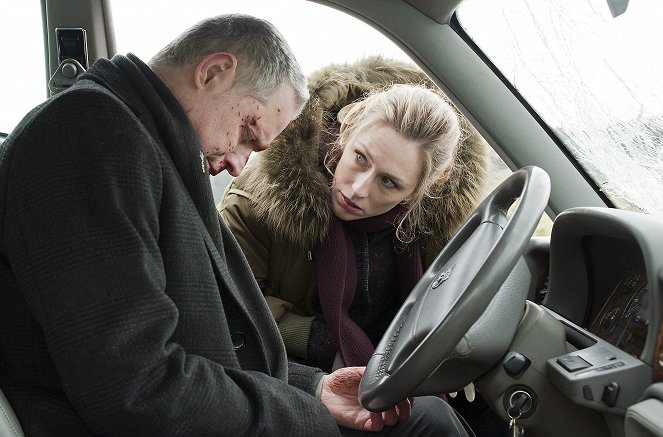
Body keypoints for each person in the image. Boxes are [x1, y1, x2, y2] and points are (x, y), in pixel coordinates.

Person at [0, 14, 472, 437]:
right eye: (248, 131)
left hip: (230, 406)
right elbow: (138, 390)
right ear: (212, 72)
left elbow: (210, 338)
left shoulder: (149, 150)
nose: (238, 164)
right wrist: (304, 415)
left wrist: (315, 389)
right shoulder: (90, 138)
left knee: (429, 419)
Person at [220, 57, 505, 435]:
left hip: (398, 365)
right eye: (359, 159)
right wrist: (319, 341)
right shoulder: (258, 204)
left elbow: (464, 287)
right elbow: (226, 313)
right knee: (433, 422)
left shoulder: (440, 222)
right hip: (295, 374)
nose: (357, 189)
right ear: (349, 122)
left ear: (429, 185)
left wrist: (463, 342)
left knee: (495, 404)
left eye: (389, 183)